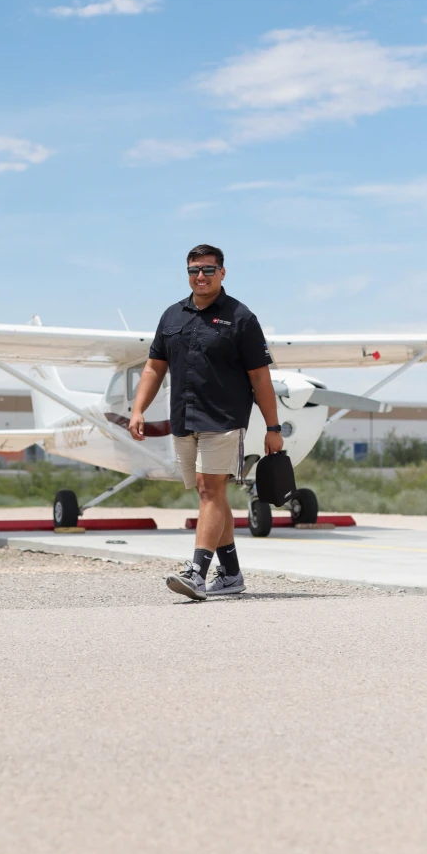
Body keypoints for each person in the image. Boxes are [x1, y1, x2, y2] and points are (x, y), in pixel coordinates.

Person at [128, 244, 284, 600]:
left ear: (222, 273)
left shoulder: (241, 318)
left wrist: (273, 429)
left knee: (211, 491)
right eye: (194, 270)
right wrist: (138, 410)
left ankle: (197, 572)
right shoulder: (171, 317)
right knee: (208, 493)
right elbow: (154, 366)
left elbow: (261, 378)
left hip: (224, 418)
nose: (200, 276)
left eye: (208, 270)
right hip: (184, 419)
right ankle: (230, 574)